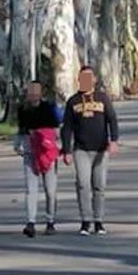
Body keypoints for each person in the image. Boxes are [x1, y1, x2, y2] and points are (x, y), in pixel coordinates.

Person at [61, 66, 120, 236]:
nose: (85, 81)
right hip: (81, 150)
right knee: (82, 184)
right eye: (82, 78)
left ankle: (98, 221)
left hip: (101, 149)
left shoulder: (102, 99)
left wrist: (114, 140)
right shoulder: (73, 101)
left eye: (88, 78)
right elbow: (67, 128)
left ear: (94, 79)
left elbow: (112, 119)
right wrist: (66, 150)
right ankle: (85, 221)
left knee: (99, 185)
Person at [15, 80, 61, 237]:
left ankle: (50, 221)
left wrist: (45, 137)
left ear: (41, 93)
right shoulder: (22, 109)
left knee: (51, 190)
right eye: (30, 91)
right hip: (30, 153)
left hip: (47, 153)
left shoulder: (49, 108)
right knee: (30, 189)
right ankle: (30, 222)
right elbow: (20, 130)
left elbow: (57, 129)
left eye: (36, 90)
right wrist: (18, 145)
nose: (33, 94)